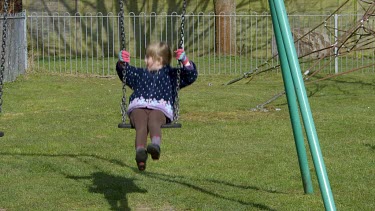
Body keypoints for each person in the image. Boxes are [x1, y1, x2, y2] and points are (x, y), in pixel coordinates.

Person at [116, 41, 198, 171]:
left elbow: (190, 76)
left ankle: (155, 146)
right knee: (140, 124)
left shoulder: (171, 76)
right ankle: (140, 153)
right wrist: (121, 63)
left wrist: (185, 61)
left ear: (159, 60)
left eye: (148, 57)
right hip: (139, 106)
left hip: (160, 108)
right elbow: (126, 73)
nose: (145, 60)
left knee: (154, 121)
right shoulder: (140, 74)